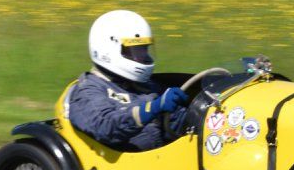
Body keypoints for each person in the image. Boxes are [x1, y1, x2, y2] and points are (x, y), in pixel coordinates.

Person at [65, 10, 196, 151]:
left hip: (163, 162)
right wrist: (152, 108)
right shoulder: (88, 91)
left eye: (144, 50)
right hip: (124, 167)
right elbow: (105, 127)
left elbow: (176, 121)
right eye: (136, 51)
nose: (144, 57)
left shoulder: (144, 86)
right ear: (109, 50)